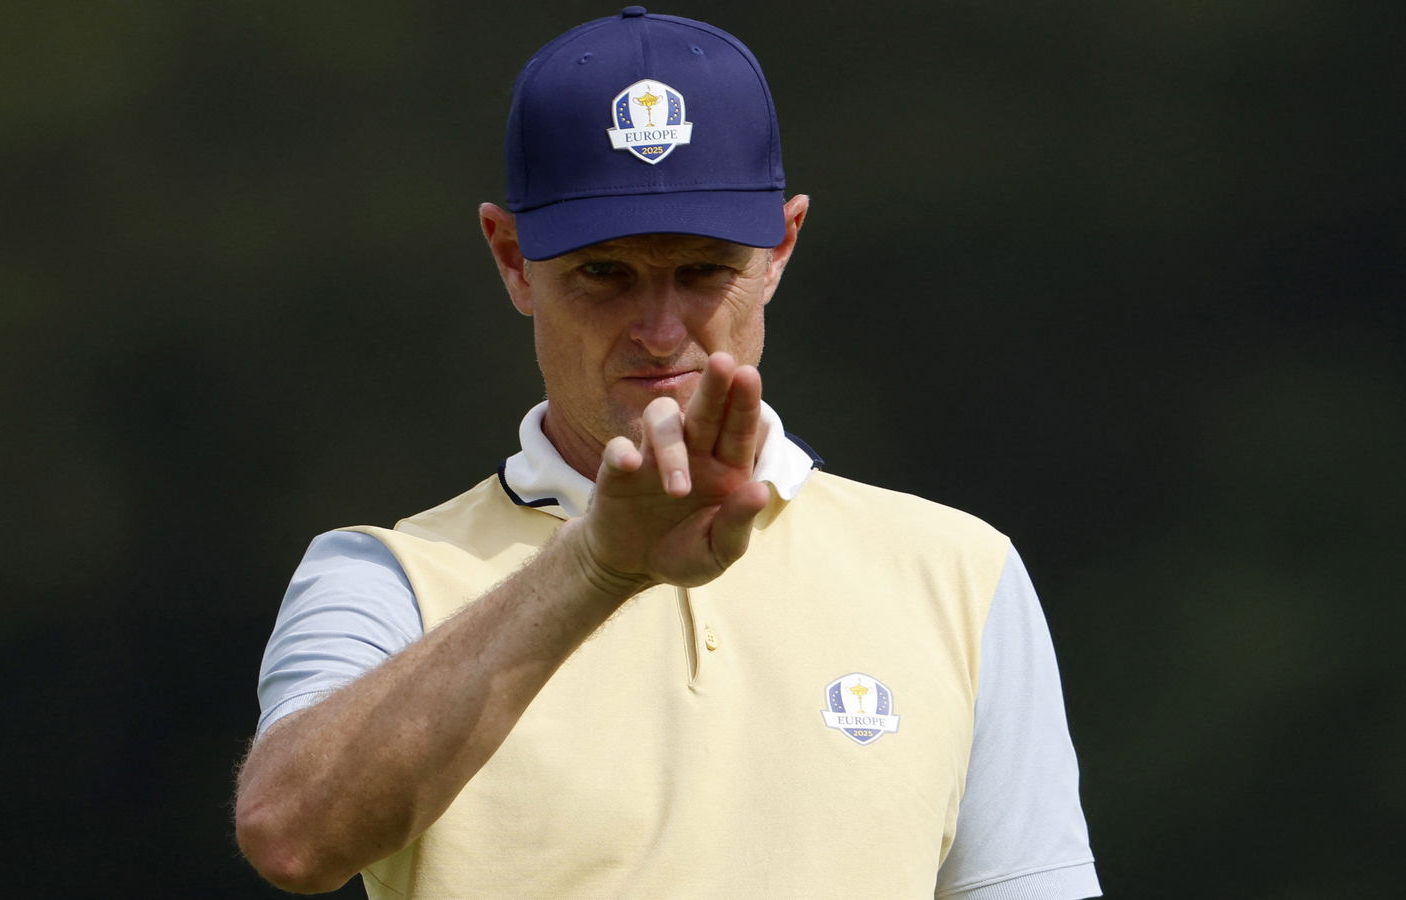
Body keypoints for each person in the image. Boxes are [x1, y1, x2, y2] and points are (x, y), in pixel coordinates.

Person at [235, 7, 1100, 898]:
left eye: (704, 271)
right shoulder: (384, 579)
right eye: (604, 273)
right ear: (512, 258)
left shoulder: (961, 572)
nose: (659, 330)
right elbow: (291, 838)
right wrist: (596, 569)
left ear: (781, 248)